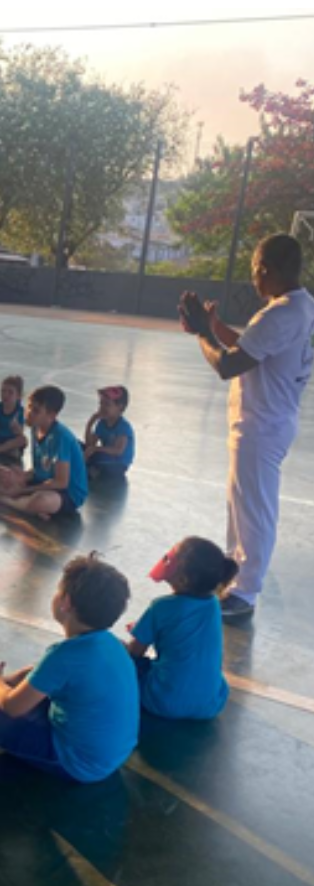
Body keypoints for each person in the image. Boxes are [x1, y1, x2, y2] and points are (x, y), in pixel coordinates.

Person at [178, 233, 314, 622]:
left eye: (254, 271)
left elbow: (229, 365)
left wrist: (203, 332)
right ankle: (233, 572)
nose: (253, 279)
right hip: (268, 421)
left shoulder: (280, 314)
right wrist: (216, 327)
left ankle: (244, 591)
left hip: (262, 425)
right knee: (241, 504)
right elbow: (252, 349)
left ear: (264, 269)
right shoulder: (300, 307)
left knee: (254, 510)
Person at [0, 553, 138, 783]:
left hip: (78, 764)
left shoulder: (65, 656)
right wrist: (4, 680)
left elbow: (12, 706)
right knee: (22, 693)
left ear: (66, 602)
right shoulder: (111, 643)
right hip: (112, 756)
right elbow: (40, 673)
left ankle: (12, 747)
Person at [127, 537, 237, 721]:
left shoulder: (160, 607)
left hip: (161, 702)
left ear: (183, 578)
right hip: (211, 705)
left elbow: (135, 652)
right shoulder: (214, 605)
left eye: (172, 557)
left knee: (123, 656)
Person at [0, 384, 88, 519]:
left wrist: (22, 490)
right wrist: (23, 476)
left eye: (36, 411)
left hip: (67, 494)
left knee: (41, 501)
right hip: (42, 483)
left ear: (51, 415)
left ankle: (6, 500)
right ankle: (25, 503)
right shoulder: (35, 428)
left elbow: (61, 482)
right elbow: (41, 469)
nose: (29, 413)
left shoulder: (62, 438)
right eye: (29, 407)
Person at [83, 385, 135, 479]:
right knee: (77, 447)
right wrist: (90, 423)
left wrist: (96, 449)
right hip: (105, 456)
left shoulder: (123, 427)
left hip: (118, 464)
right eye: (101, 404)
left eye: (107, 404)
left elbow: (117, 451)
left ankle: (91, 471)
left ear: (120, 407)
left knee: (97, 458)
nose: (102, 408)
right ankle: (88, 468)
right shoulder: (102, 423)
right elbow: (89, 444)